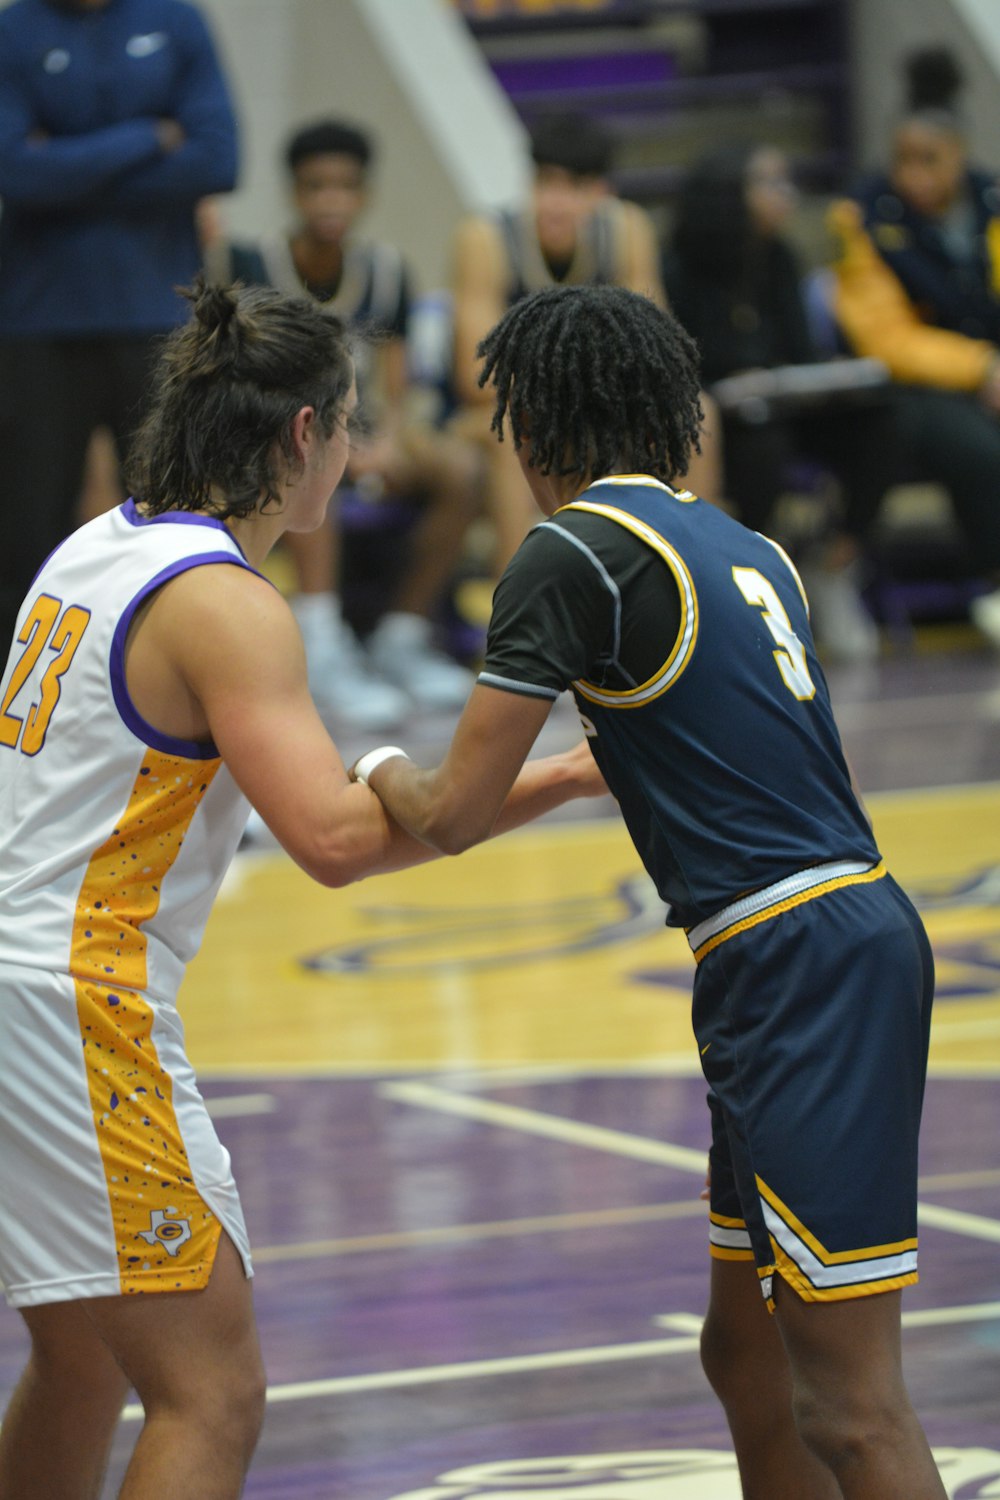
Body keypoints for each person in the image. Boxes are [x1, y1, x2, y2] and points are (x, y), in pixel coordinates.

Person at [0, 279, 601, 1500]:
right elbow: (333, 841)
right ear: (299, 436)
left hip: (16, 986)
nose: (363, 453)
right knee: (212, 1392)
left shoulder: (95, 545)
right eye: (352, 424)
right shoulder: (226, 604)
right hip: (73, 1003)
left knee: (79, 1361)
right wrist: (580, 772)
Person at [351, 285, 944, 1500]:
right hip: (815, 934)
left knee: (850, 1402)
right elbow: (683, 753)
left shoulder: (568, 554)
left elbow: (451, 811)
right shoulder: (744, 544)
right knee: (744, 1351)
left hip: (794, 959)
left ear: (530, 431)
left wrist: (368, 766)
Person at [209, 118, 479, 723]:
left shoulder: (386, 270)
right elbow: (235, 378)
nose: (331, 200)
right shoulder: (252, 262)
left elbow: (398, 385)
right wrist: (333, 442)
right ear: (294, 193)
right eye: (316, 186)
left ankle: (403, 634)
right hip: (273, 434)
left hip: (362, 430)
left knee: (460, 470)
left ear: (364, 195)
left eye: (345, 187)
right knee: (306, 460)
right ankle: (322, 640)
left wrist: (384, 441)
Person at [0, 0, 239, 663]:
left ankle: (174, 674)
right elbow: (12, 172)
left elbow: (219, 160)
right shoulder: (13, 29)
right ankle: (16, 693)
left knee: (174, 520)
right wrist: (147, 138)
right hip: (36, 323)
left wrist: (62, 162)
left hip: (157, 320)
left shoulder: (178, 21)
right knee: (25, 530)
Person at [450, 110, 721, 571]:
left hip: (594, 411)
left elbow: (660, 358)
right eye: (545, 184)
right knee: (513, 429)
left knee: (698, 410)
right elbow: (477, 381)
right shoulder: (486, 239)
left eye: (574, 188)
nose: (555, 202)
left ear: (602, 192)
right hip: (490, 419)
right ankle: (521, 605)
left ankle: (696, 575)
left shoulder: (626, 230)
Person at [664, 143, 902, 663]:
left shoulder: (779, 256)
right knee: (761, 449)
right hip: (724, 416)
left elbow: (801, 349)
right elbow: (684, 359)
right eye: (769, 183)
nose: (785, 195)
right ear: (730, 195)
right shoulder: (679, 264)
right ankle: (759, 585)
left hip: (784, 401)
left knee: (884, 423)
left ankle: (835, 563)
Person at [828, 45, 1000, 648]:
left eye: (930, 160)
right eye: (904, 159)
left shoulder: (991, 202)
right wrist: (981, 367)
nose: (914, 175)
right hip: (910, 390)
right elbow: (885, 336)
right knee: (979, 449)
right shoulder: (863, 217)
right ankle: (992, 585)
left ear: (960, 154)